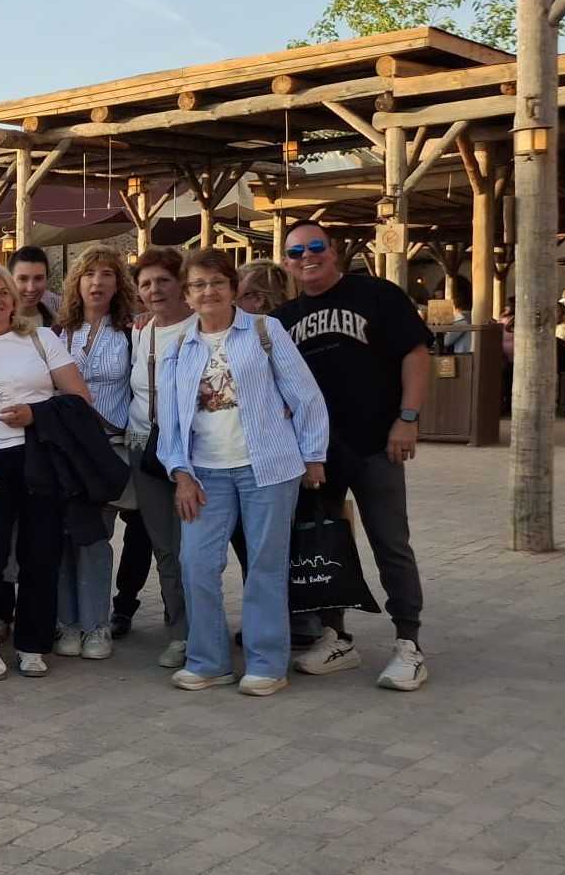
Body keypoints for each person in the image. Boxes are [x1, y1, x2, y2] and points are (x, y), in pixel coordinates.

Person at [272, 221, 434, 691]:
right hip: (317, 452)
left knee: (390, 542)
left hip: (376, 441)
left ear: (334, 249)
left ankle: (409, 642)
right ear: (286, 262)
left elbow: (415, 354)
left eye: (315, 246)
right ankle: (336, 637)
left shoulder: (377, 294)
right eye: (296, 251)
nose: (307, 256)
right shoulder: (283, 319)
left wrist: (408, 417)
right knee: (325, 544)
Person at [161, 249, 329, 696]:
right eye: (198, 285)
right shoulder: (178, 346)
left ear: (233, 288)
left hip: (267, 468)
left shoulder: (264, 331)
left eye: (217, 282)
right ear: (187, 295)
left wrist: (314, 455)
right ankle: (209, 661)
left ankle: (266, 663)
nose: (208, 292)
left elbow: (306, 395)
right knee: (196, 564)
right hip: (205, 475)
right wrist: (180, 473)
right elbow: (170, 420)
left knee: (265, 566)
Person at [0, 266, 90, 681]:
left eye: (3, 292)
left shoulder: (41, 340)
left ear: (14, 300)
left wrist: (35, 414)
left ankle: (32, 643)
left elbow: (79, 397)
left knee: (40, 555)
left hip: (39, 456)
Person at [50, 247, 137, 662]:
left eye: (106, 274)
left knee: (96, 539)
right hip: (66, 453)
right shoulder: (58, 333)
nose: (97, 282)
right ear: (76, 282)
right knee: (64, 536)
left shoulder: (131, 332)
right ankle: (68, 622)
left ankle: (96, 624)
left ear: (118, 283)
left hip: (108, 450)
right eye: (88, 274)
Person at [115, 248, 196, 667]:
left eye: (163, 280)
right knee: (165, 547)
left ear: (181, 282)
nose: (154, 290)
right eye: (145, 284)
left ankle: (204, 628)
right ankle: (180, 632)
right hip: (145, 449)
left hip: (196, 451)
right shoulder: (141, 331)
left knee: (197, 548)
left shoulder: (202, 326)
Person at [10, 245, 56, 327]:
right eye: (23, 279)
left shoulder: (59, 326)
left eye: (38, 278)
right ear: (9, 280)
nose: (31, 288)